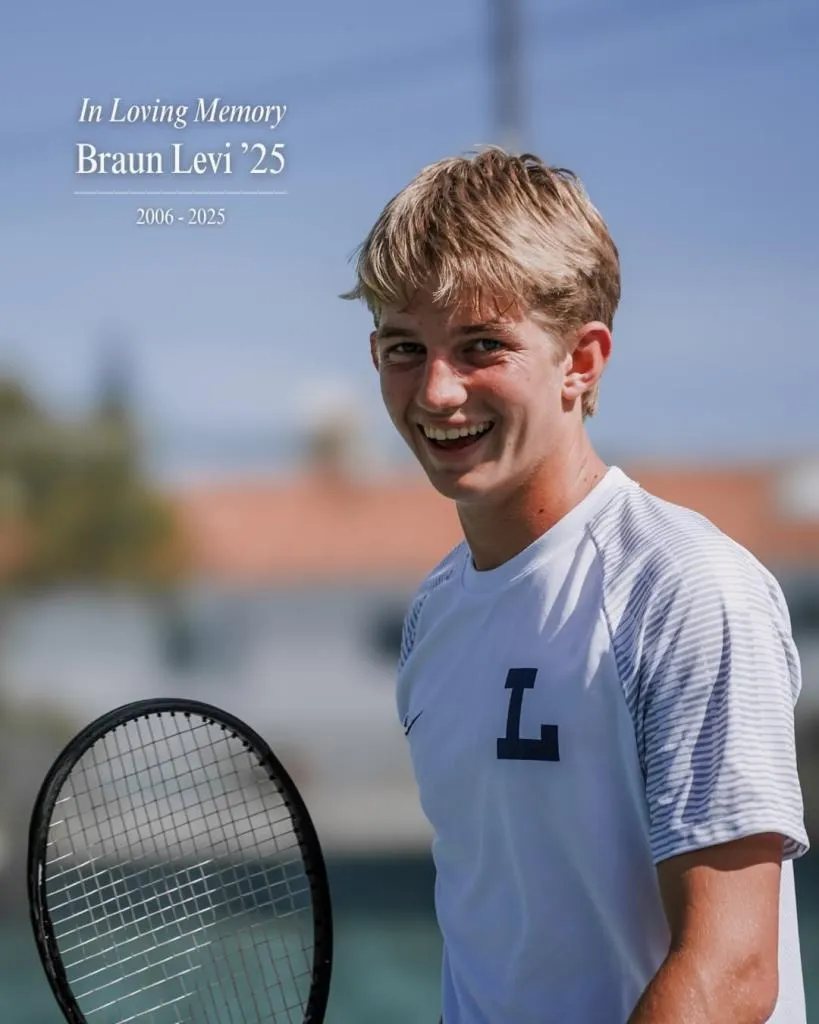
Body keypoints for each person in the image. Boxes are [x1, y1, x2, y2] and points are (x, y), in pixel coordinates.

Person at [341, 147, 810, 1023]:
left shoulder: (686, 589)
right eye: (406, 348)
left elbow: (731, 973)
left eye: (482, 346)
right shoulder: (434, 613)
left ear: (581, 361)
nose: (437, 391)